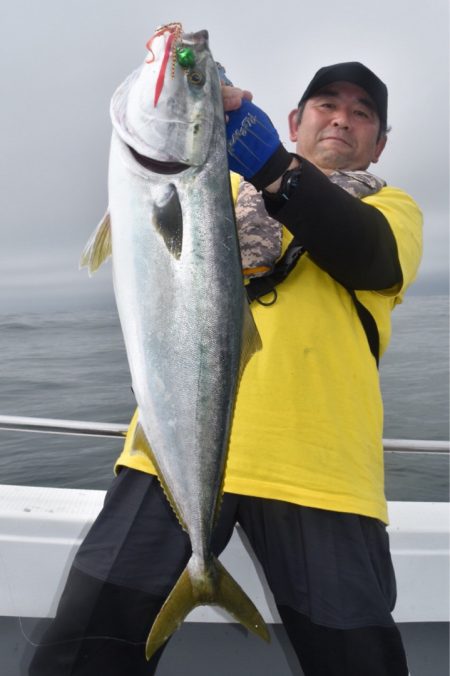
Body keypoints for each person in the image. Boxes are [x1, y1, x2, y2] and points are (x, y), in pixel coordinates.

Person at [28, 62, 422, 676]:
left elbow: (365, 254)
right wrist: (202, 117)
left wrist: (273, 168)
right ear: (294, 121)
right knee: (83, 652)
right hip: (166, 451)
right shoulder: (223, 191)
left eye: (362, 112)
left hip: (318, 471)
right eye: (325, 104)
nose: (341, 117)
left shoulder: (392, 211)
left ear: (380, 142)